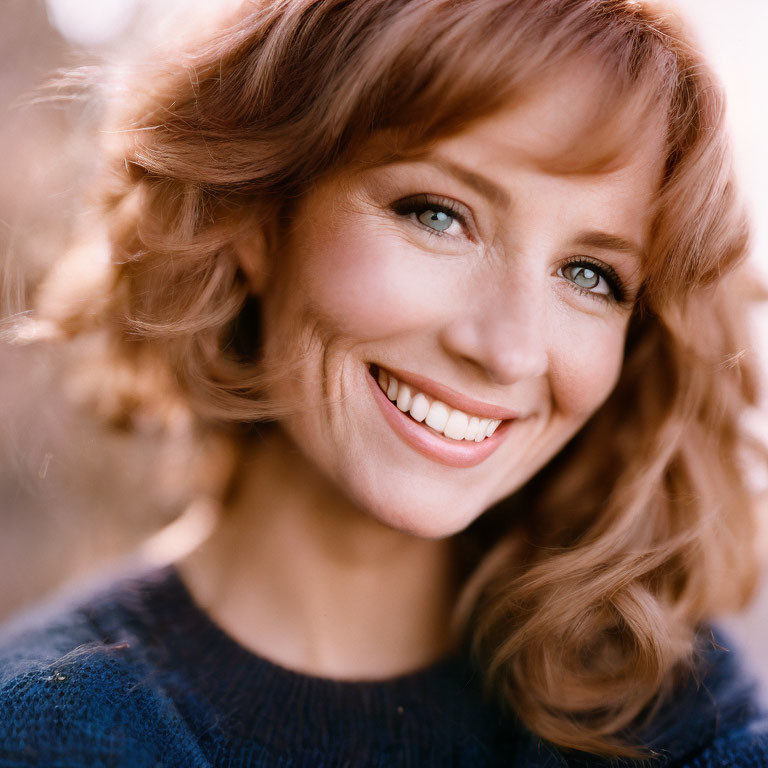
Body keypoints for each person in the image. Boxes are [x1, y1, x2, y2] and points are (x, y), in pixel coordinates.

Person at [1, 0, 767, 765]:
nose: (509, 350)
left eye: (589, 275)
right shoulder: (47, 732)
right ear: (259, 217)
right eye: (438, 215)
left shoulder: (663, 710)